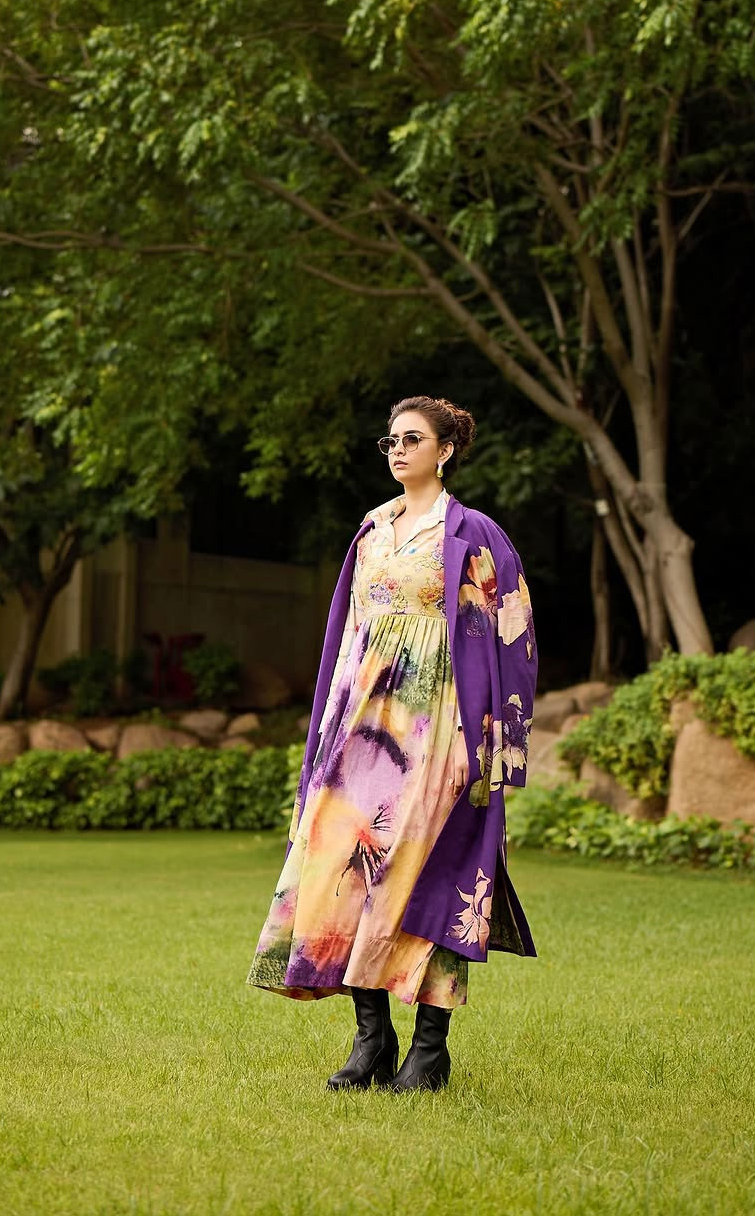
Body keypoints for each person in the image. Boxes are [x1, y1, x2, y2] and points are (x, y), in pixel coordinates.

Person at [246, 395, 537, 1092]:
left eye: (412, 439)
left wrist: (496, 744)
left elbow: (514, 635)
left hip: (440, 727)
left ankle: (430, 1050)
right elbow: (346, 637)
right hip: (361, 728)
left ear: (445, 450)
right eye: (391, 441)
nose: (398, 450)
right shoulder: (371, 530)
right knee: (348, 869)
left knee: (428, 872)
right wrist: (325, 730)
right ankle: (371, 1040)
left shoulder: (473, 533)